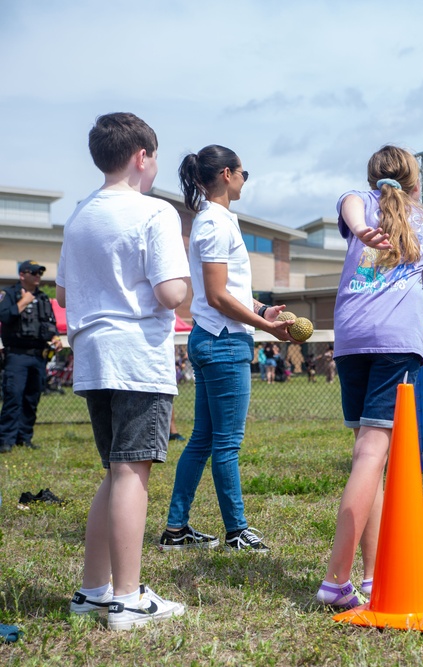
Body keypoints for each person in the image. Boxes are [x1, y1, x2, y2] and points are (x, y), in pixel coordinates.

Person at [58, 112, 189, 630]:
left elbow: (65, 294)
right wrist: (184, 286)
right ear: (142, 157)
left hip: (92, 355)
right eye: (154, 157)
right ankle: (127, 600)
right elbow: (170, 292)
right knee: (133, 472)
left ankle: (93, 591)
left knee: (116, 472)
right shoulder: (154, 213)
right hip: (136, 355)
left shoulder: (79, 213)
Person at [316, 145, 423, 609]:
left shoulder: (360, 203)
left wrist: (360, 233)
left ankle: (372, 579)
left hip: (352, 341)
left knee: (366, 456)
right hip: (395, 343)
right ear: (416, 183)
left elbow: (350, 203)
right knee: (373, 454)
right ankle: (336, 580)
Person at [159, 144, 291, 554]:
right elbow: (217, 296)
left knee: (202, 439)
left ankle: (176, 529)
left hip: (215, 338)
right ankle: (237, 531)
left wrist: (264, 307)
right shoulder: (216, 223)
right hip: (223, 342)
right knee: (226, 444)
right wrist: (265, 326)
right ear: (229, 175)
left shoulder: (215, 220)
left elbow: (231, 291)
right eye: (244, 173)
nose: (244, 180)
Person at [0, 260, 62, 453]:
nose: (37, 276)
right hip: (16, 355)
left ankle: (24, 438)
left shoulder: (43, 298)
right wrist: (23, 303)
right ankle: (6, 441)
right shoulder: (9, 294)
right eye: (33, 273)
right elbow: (4, 317)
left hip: (38, 355)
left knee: (31, 398)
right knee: (13, 397)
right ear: (22, 275)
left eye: (39, 273)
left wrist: (55, 338)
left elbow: (50, 324)